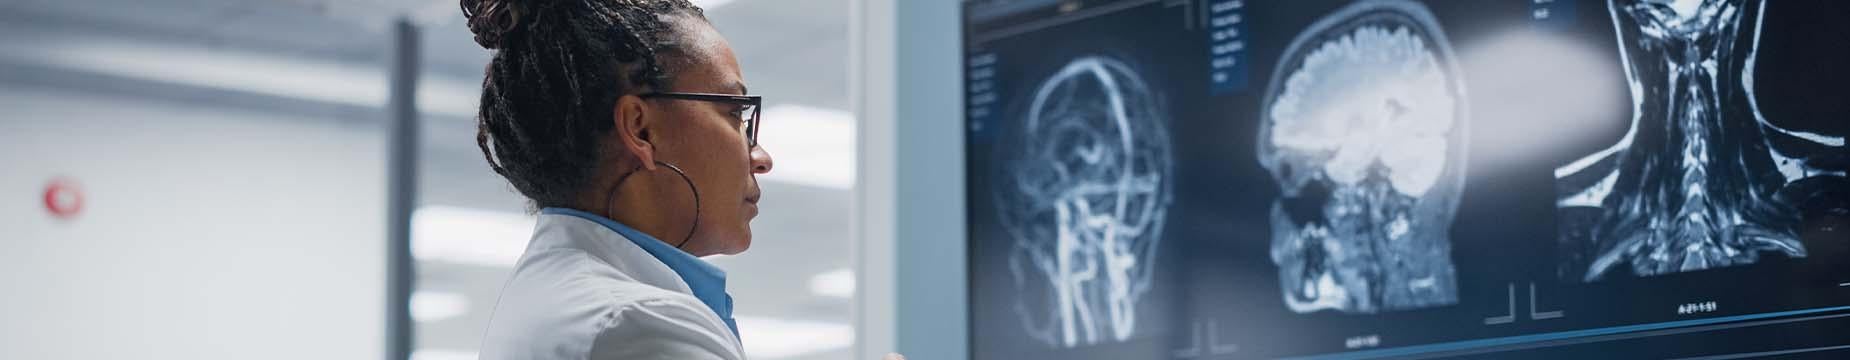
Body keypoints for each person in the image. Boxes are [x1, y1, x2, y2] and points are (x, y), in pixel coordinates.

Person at [462, 0, 772, 358]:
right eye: (735, 112)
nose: (761, 159)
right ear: (641, 129)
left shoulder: (561, 294)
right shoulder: (640, 326)